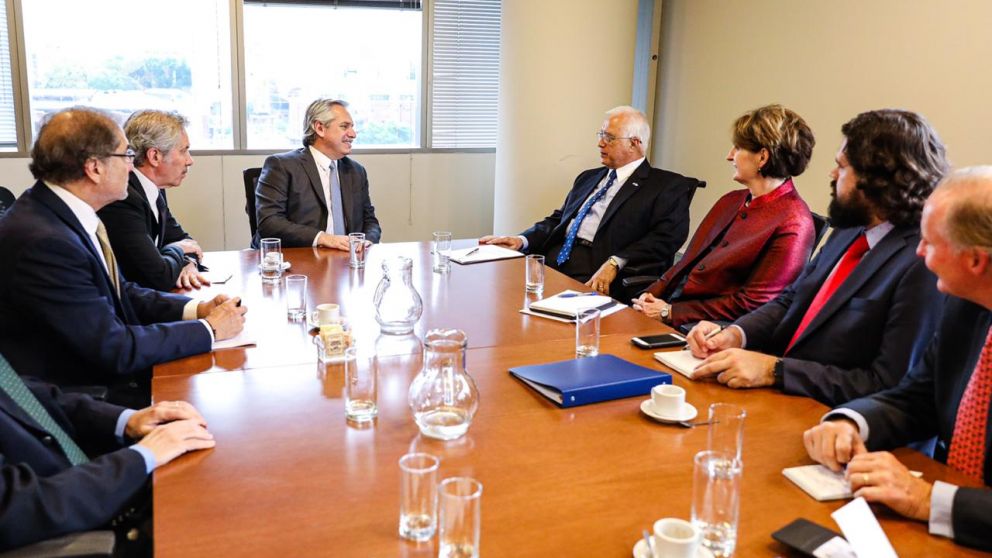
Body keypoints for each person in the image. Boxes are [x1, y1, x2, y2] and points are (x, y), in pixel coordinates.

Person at [685, 109, 946, 406]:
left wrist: (775, 370)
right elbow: (791, 299)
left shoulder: (923, 262)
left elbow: (888, 384)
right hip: (782, 398)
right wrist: (734, 333)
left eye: (842, 167)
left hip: (843, 425)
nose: (832, 174)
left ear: (877, 179)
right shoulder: (849, 229)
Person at [0, 108, 246, 408]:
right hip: (82, 400)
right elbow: (114, 347)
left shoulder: (60, 213)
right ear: (94, 167)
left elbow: (120, 290)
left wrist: (197, 308)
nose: (132, 167)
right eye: (126, 156)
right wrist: (209, 330)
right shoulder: (46, 240)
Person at [803, 167, 992, 551]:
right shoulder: (965, 306)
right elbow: (917, 396)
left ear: (975, 261)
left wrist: (926, 499)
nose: (919, 251)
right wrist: (851, 423)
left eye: (930, 241)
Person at [0, 354, 214, 554]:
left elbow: (25, 394)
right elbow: (19, 508)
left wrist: (126, 421)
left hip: (86, 477)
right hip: (77, 527)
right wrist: (140, 458)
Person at [479, 106, 696, 298]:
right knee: (495, 287)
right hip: (553, 257)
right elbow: (559, 219)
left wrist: (616, 261)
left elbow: (666, 239)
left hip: (596, 266)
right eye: (601, 134)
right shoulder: (588, 177)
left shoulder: (666, 185)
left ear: (635, 144)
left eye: (610, 138)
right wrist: (520, 240)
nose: (600, 143)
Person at [633, 104, 816, 327]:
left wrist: (670, 312)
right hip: (665, 311)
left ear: (762, 157)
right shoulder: (731, 200)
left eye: (738, 148)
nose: (729, 156)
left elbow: (753, 304)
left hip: (705, 332)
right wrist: (650, 295)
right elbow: (686, 263)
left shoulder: (795, 222)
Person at [98, 110, 207, 291]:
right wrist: (179, 251)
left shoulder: (154, 188)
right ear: (154, 156)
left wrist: (187, 263)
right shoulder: (123, 198)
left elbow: (184, 240)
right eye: (183, 151)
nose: (190, 161)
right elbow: (158, 276)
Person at [254, 98, 381, 249]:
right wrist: (323, 238)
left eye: (352, 127)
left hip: (345, 260)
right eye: (344, 126)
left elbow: (370, 221)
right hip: (297, 260)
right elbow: (269, 223)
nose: (353, 134)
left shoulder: (356, 171)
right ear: (320, 128)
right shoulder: (281, 165)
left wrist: (367, 241)